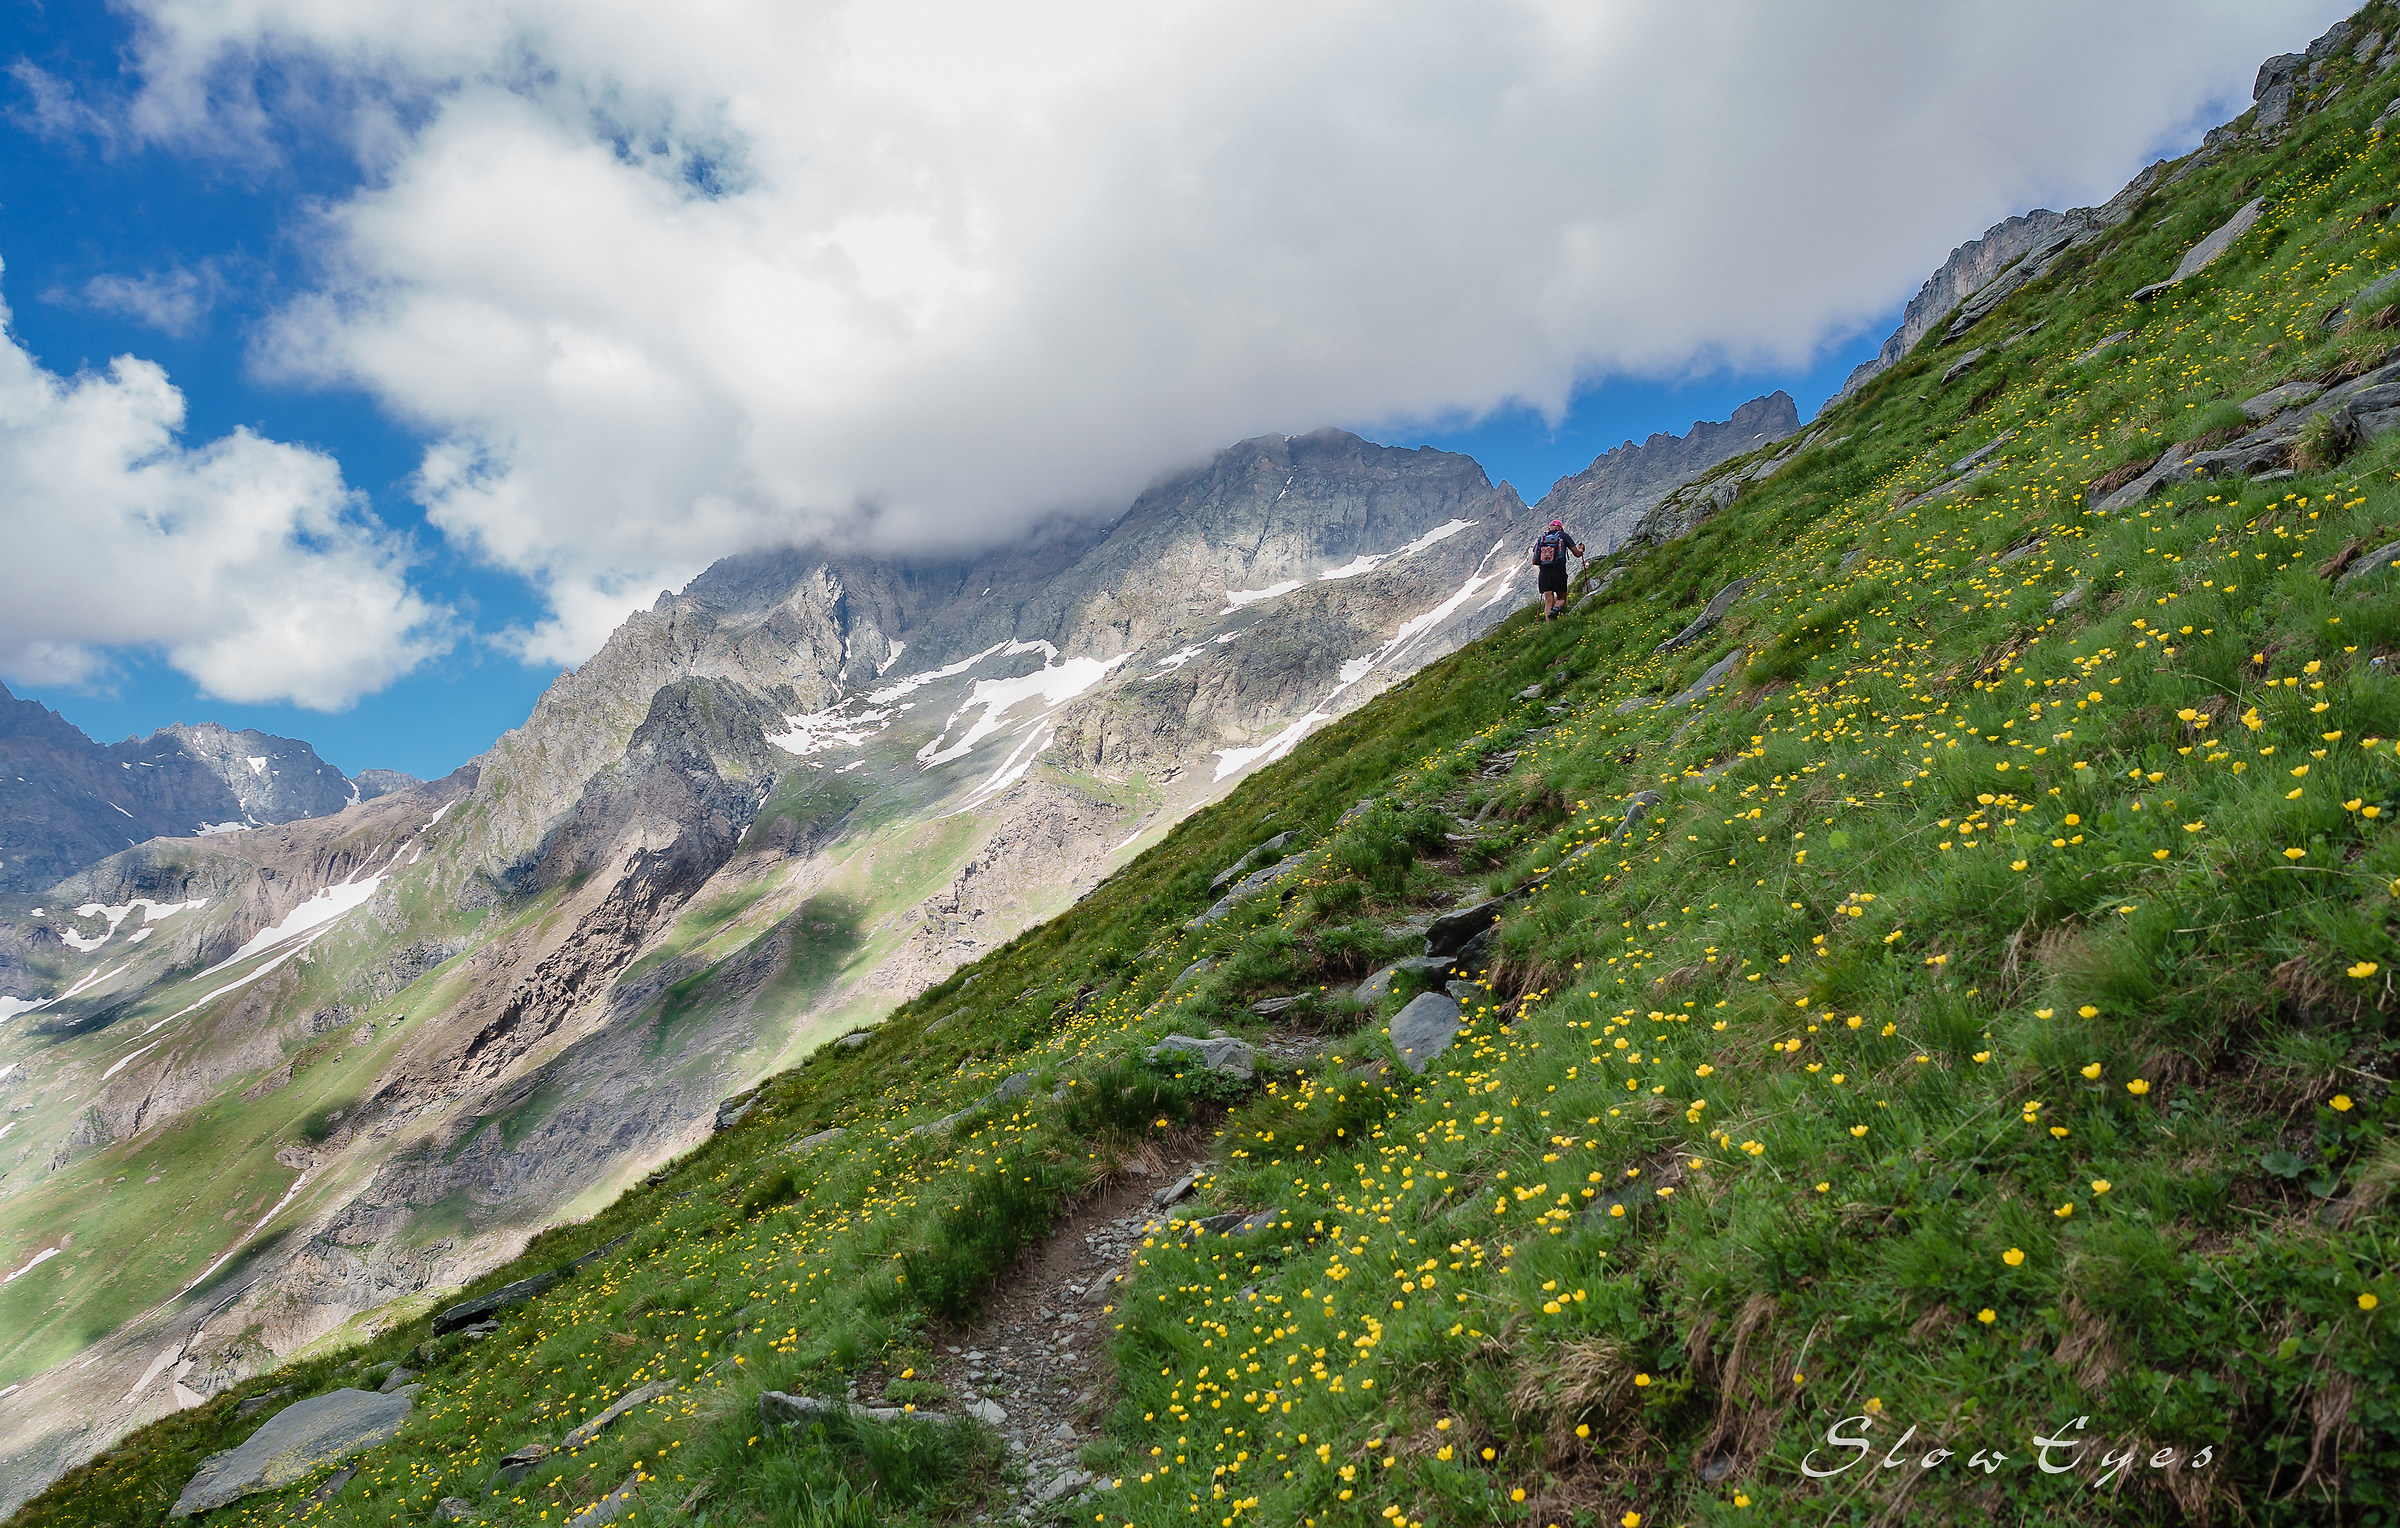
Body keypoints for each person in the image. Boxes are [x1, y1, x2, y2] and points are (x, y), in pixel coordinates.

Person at [1530, 519, 1585, 621]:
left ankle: (1550, 625)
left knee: (1548, 601)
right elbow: (1577, 554)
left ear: (1549, 528)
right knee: (1561, 599)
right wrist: (1581, 549)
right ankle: (1555, 610)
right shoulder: (1563, 536)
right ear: (1560, 528)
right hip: (1558, 570)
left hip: (1544, 573)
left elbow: (1534, 561)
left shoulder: (1541, 539)